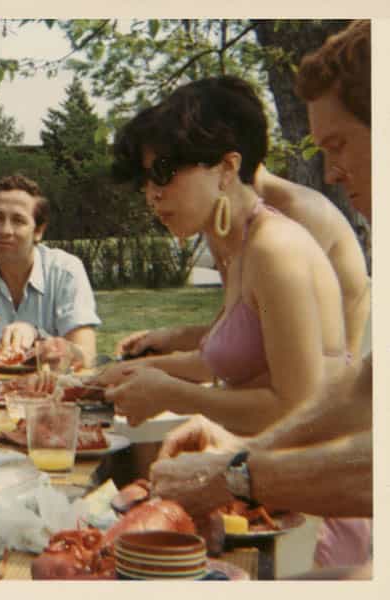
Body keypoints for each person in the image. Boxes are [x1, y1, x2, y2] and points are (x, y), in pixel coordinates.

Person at [150, 20, 372, 574]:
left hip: (324, 510)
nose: (331, 171)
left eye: (339, 144)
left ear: (226, 168)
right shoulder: (237, 245)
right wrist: (241, 454)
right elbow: (365, 390)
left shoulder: (278, 239)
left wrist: (237, 472)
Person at [100, 76, 348, 436]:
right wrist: (145, 372)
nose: (152, 194)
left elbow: (299, 409)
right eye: (145, 180)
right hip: (254, 458)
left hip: (300, 474)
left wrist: (176, 395)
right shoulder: (239, 245)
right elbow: (231, 359)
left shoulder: (274, 249)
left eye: (163, 172)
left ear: (227, 168)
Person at [115, 163, 370, 360]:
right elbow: (234, 328)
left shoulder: (293, 217)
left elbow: (294, 367)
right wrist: (168, 340)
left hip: (332, 405)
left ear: (228, 163)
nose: (152, 196)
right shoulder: (227, 221)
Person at [0, 173, 100, 365]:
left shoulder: (66, 271)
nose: (6, 230)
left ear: (38, 231)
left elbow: (86, 355)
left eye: (18, 220)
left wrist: (36, 336)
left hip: (50, 390)